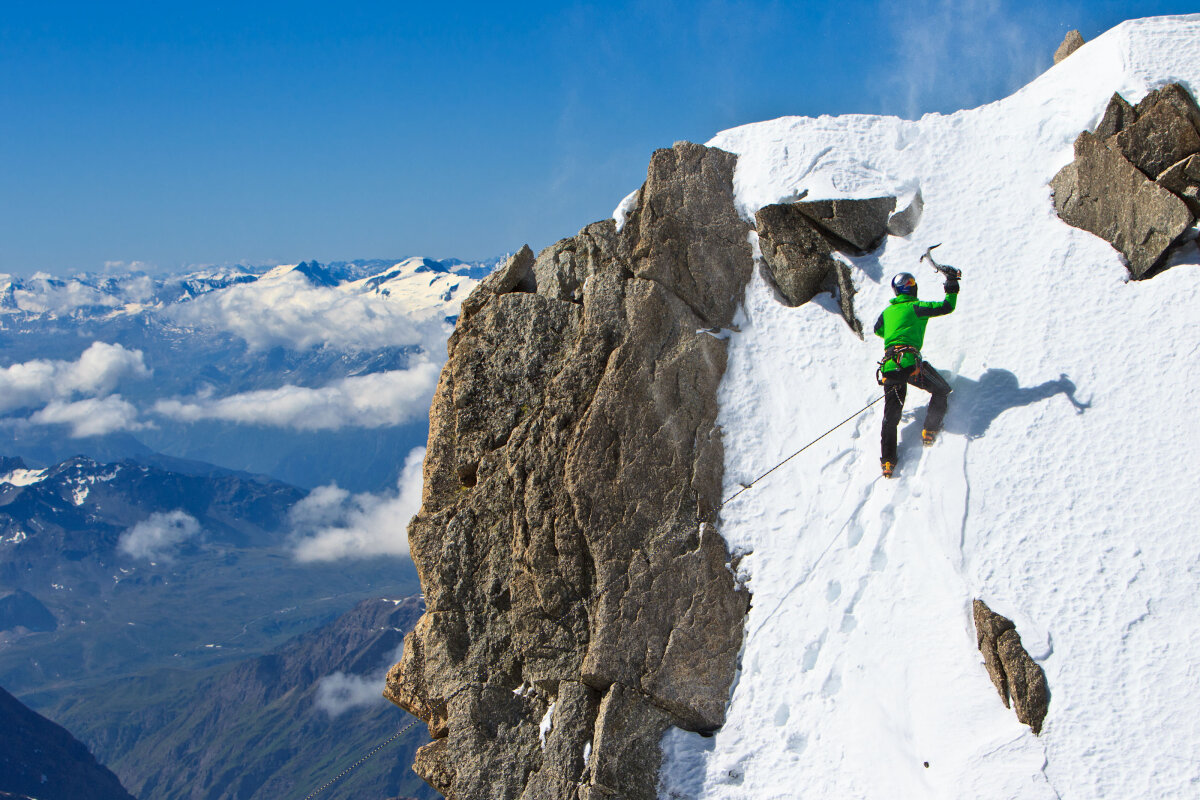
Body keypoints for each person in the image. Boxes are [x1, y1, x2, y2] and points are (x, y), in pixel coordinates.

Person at [874, 270, 959, 478]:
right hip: (911, 366)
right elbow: (947, 306)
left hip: (891, 367)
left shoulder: (887, 312)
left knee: (890, 417)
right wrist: (951, 286)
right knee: (941, 390)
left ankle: (887, 461)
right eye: (911, 282)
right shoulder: (916, 307)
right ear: (909, 288)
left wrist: (896, 331)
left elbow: (878, 330)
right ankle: (930, 429)